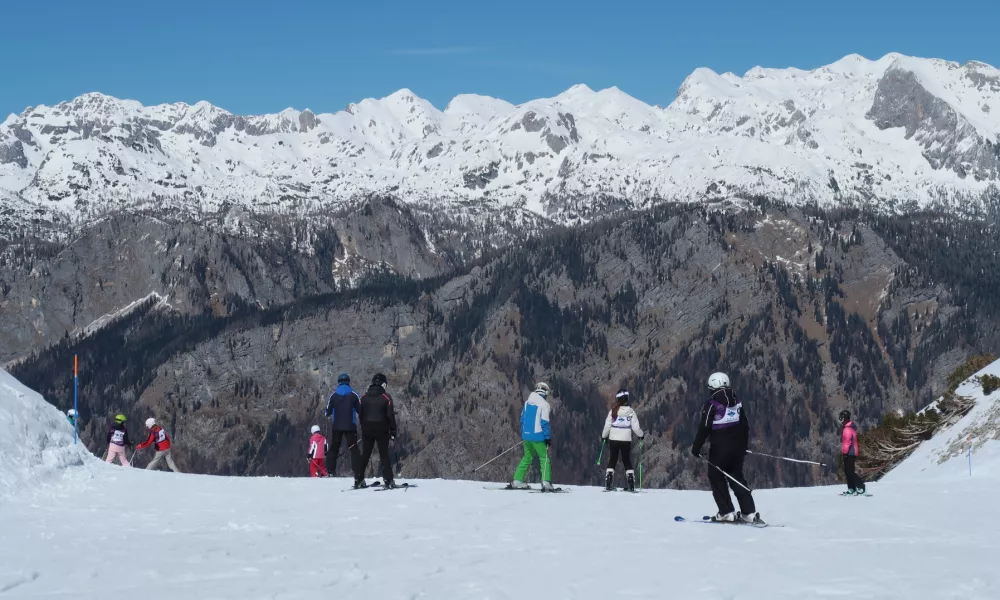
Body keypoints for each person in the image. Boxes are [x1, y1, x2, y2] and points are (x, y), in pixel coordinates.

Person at [691, 372, 761, 524]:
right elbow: (745, 425)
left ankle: (726, 511)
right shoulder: (737, 402)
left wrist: (696, 448)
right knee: (736, 477)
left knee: (716, 477)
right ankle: (748, 512)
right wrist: (744, 446)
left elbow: (704, 428)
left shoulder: (712, 404)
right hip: (738, 448)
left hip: (720, 448)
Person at [355, 373, 397, 489]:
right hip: (382, 429)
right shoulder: (386, 397)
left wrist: (363, 428)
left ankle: (358, 478)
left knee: (365, 454)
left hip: (367, 429)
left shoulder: (364, 397)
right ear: (384, 384)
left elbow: (361, 414)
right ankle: (388, 480)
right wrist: (393, 432)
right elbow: (390, 416)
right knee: (384, 455)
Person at [511, 382, 555, 491]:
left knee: (527, 457)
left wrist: (525, 433)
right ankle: (546, 482)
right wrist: (547, 438)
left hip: (526, 436)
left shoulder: (527, 403)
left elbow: (522, 419)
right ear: (545, 392)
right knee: (544, 458)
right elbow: (544, 423)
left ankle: (517, 480)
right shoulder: (544, 405)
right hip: (538, 436)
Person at [601, 389, 644, 491]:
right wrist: (641, 435)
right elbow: (636, 428)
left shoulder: (613, 411)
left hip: (613, 439)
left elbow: (607, 426)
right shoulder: (631, 412)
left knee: (613, 459)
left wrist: (604, 437)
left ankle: (609, 482)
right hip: (626, 440)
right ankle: (631, 482)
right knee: (626, 460)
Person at [324, 373, 362, 476]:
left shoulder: (333, 395)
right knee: (354, 448)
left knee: (334, 447)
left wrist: (327, 412)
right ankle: (358, 471)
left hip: (337, 426)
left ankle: (330, 470)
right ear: (348, 382)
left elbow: (328, 412)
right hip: (351, 426)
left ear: (339, 382)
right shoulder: (354, 395)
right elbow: (361, 410)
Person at [839, 410, 867, 495]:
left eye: (841, 418)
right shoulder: (849, 428)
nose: (841, 420)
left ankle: (860, 486)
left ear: (845, 418)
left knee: (850, 471)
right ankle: (851, 488)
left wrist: (845, 453)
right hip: (851, 453)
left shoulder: (847, 429)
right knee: (847, 471)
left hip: (849, 453)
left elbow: (847, 442)